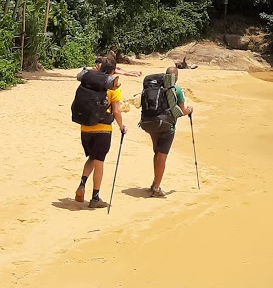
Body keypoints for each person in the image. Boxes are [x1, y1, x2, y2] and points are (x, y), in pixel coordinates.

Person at [73, 60, 126, 209]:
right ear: (113, 72)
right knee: (99, 161)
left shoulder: (88, 83)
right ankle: (95, 197)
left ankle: (82, 183)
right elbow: (116, 111)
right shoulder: (113, 88)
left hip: (85, 127)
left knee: (92, 157)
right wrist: (122, 127)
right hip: (102, 129)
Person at [138, 62, 192, 198]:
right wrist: (190, 110)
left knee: (156, 153)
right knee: (162, 156)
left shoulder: (153, 87)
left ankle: (155, 182)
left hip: (151, 123)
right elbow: (181, 111)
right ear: (176, 77)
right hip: (168, 126)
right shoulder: (177, 90)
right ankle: (156, 188)